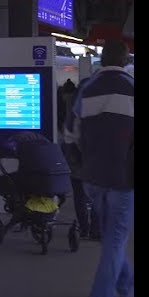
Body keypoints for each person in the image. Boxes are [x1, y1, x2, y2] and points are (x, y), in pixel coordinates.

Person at [64, 40, 134, 297]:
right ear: (126, 59)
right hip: (123, 177)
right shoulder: (132, 88)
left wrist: (86, 160)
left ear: (101, 61)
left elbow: (69, 134)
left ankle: (125, 287)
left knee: (111, 237)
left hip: (92, 177)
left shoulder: (87, 89)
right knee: (115, 240)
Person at [58, 79, 99, 240]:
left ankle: (84, 229)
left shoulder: (73, 106)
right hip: (92, 158)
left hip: (75, 156)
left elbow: (68, 133)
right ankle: (96, 230)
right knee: (94, 195)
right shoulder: (96, 108)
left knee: (79, 194)